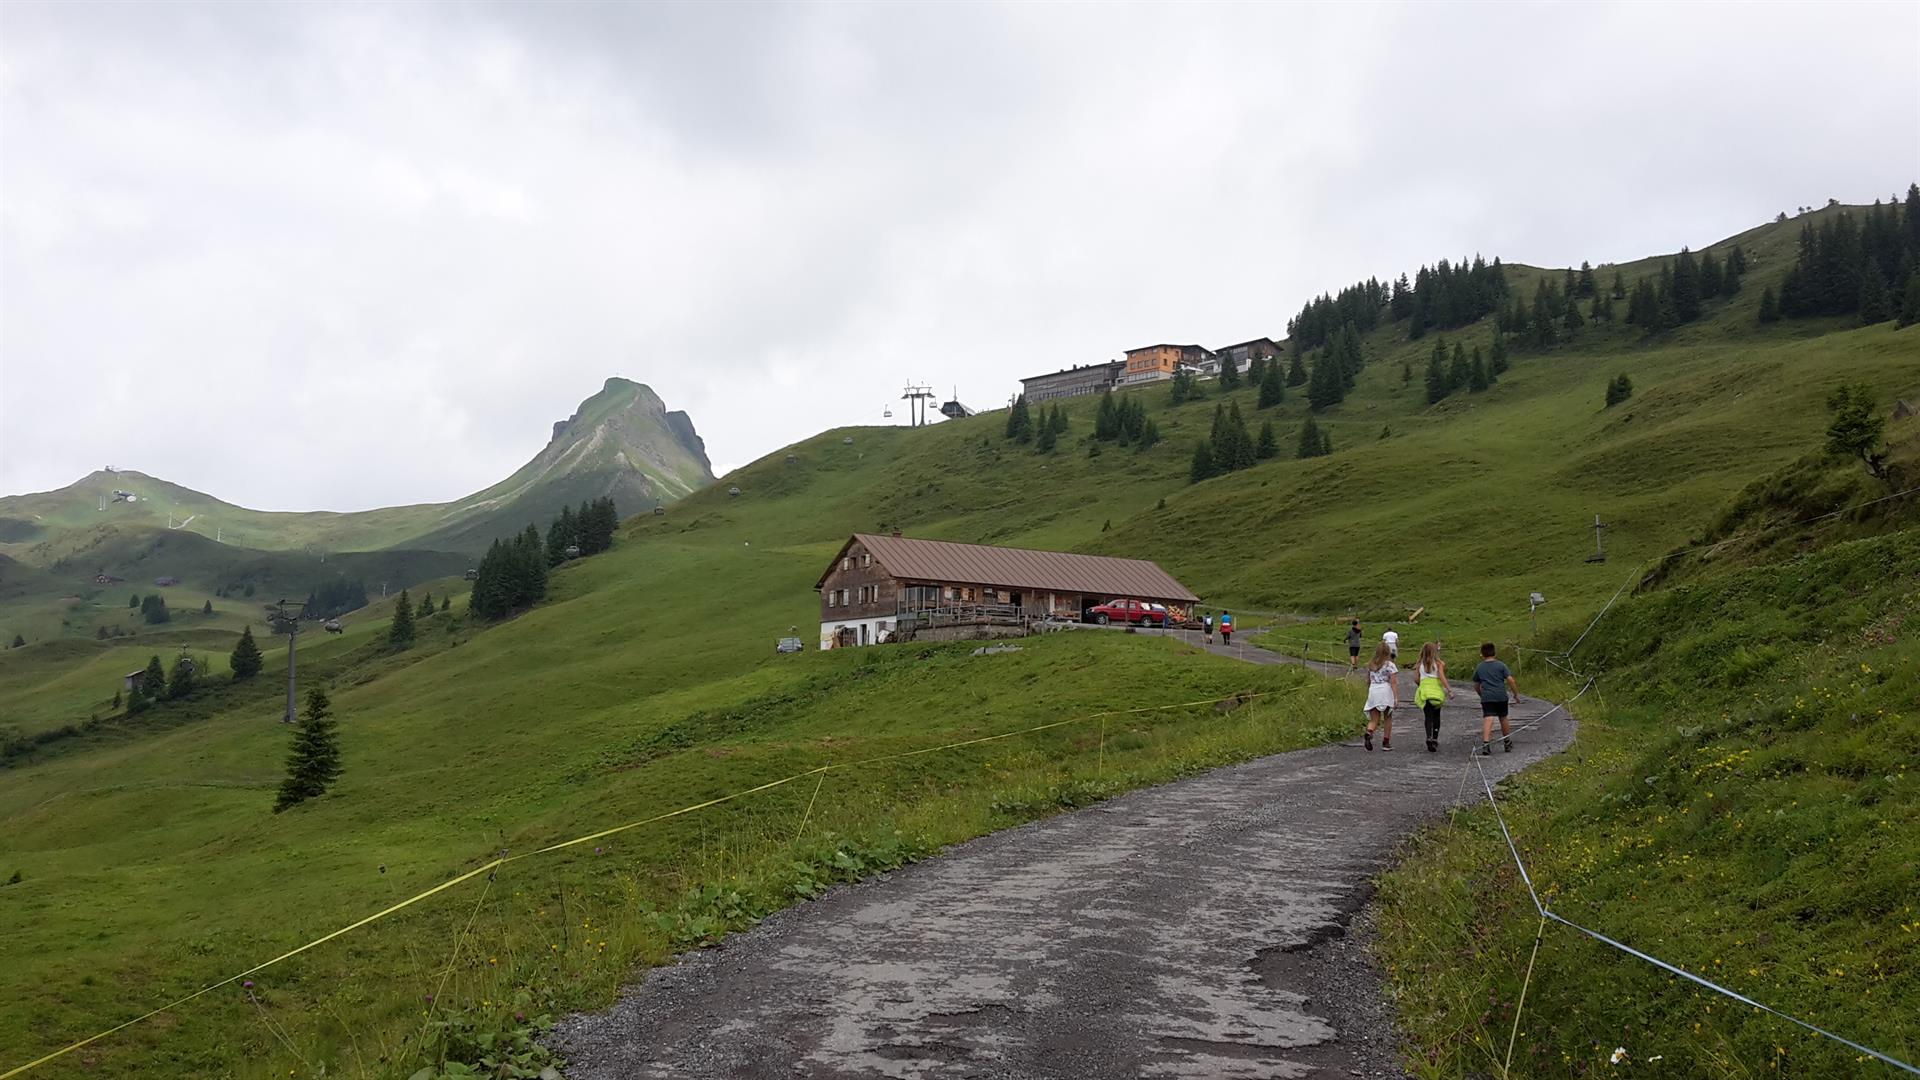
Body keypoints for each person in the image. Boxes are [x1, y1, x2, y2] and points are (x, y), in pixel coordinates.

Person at [1473, 642, 1522, 755]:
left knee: (1488, 718)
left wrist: (1481, 694)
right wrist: (1515, 694)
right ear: (1495, 653)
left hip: (1487, 697)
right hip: (1501, 696)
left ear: (1482, 654)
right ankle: (1507, 741)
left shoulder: (1480, 667)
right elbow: (1511, 680)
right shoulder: (1501, 665)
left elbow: (1476, 684)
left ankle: (1486, 744)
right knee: (1503, 717)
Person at [1362, 642, 1398, 751]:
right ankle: (1386, 742)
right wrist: (1396, 697)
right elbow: (1393, 682)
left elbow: (1368, 680)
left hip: (1373, 690)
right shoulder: (1390, 665)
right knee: (1388, 717)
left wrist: (1369, 691)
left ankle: (1369, 732)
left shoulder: (1371, 665)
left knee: (1374, 719)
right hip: (1385, 691)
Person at [1413, 642, 1448, 753]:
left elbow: (1416, 679)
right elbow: (1441, 676)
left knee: (1428, 716)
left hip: (1425, 692)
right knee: (1436, 716)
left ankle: (1428, 736)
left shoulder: (1419, 664)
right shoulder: (1438, 664)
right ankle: (1435, 738)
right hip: (1436, 692)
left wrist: (1421, 684)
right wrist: (1448, 689)